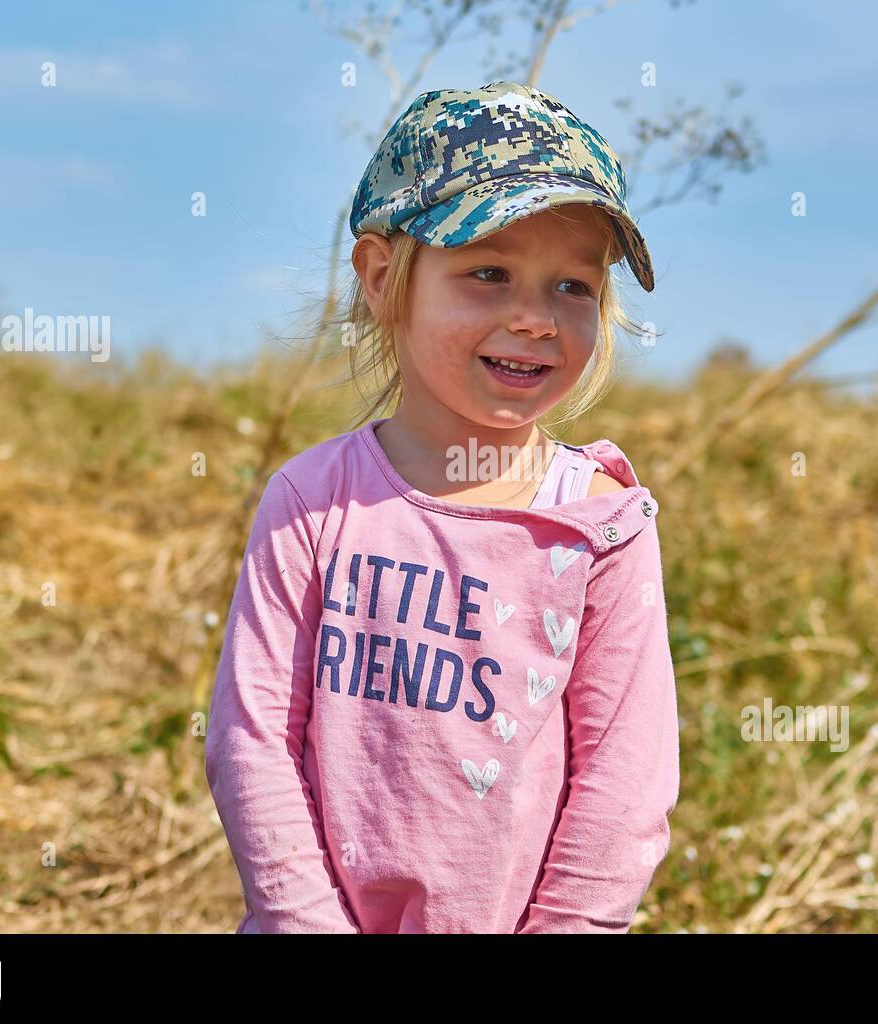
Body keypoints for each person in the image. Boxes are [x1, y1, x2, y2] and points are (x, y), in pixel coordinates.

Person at [205, 80, 680, 934]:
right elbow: (254, 747)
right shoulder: (313, 504)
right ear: (385, 278)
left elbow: (624, 786)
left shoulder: (601, 524)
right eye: (488, 273)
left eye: (573, 286)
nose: (535, 318)